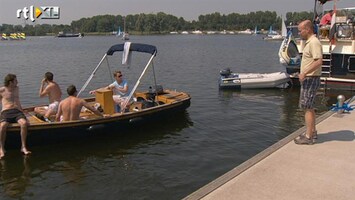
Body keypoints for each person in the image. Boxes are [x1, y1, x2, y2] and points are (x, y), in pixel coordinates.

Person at [294, 20, 323, 145]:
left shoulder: (314, 42)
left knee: (307, 107)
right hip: (309, 78)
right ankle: (313, 132)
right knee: (309, 107)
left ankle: (308, 137)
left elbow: (318, 61)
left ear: (308, 29)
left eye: (301, 30)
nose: (299, 33)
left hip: (311, 78)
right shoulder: (310, 42)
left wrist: (304, 73)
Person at [0, 74, 31, 158]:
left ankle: (23, 147)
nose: (17, 82)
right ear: (10, 82)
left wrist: (23, 112)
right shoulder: (2, 90)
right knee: (3, 126)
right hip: (6, 112)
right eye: (15, 81)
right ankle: (1, 148)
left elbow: (17, 101)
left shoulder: (17, 89)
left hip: (17, 111)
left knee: (24, 123)